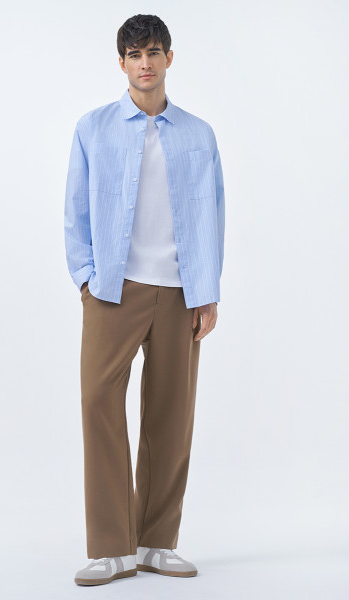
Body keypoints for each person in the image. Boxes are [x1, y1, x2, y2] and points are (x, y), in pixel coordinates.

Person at [64, 13, 225, 586]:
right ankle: (112, 547)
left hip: (181, 291)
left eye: (154, 52)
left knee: (170, 414)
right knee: (98, 402)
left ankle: (156, 542)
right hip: (113, 289)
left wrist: (208, 293)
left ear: (169, 58)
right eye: (135, 54)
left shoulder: (199, 134)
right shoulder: (93, 128)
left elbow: (212, 214)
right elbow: (75, 209)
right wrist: (87, 279)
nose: (145, 63)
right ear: (122, 63)